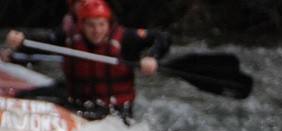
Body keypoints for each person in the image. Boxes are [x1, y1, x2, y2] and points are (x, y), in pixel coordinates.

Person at [4, 0, 170, 119]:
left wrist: (152, 57)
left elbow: (162, 37)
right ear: (82, 25)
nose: (96, 30)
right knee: (24, 95)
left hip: (115, 112)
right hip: (78, 104)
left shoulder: (126, 38)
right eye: (91, 25)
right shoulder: (69, 37)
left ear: (109, 23)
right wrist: (20, 42)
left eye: (101, 24)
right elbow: (40, 44)